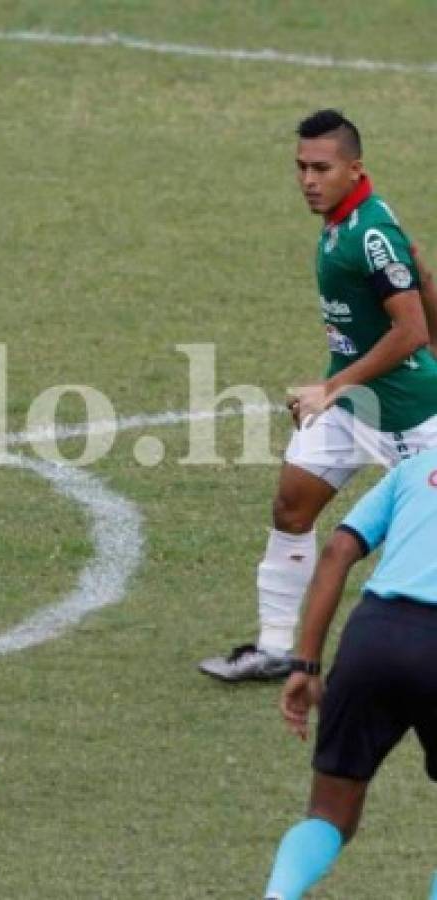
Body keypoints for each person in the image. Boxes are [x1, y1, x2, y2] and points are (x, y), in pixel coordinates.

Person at [199, 109, 437, 682]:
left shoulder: (368, 233)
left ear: (355, 169)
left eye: (322, 168)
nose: (309, 179)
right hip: (357, 406)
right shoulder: (343, 220)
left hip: (409, 416)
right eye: (301, 167)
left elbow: (411, 333)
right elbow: (422, 276)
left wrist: (330, 387)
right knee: (292, 505)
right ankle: (276, 648)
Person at [263, 447, 437, 898]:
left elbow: (338, 550)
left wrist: (305, 663)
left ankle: (278, 896)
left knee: (328, 812)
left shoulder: (418, 466)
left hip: (374, 636)